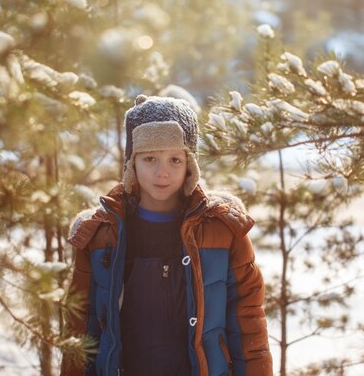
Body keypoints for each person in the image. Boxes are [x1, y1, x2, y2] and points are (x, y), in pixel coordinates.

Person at [61, 95, 273, 376]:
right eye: (150, 158)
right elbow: (80, 330)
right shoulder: (101, 235)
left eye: (175, 159)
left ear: (190, 165)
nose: (163, 172)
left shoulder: (223, 232)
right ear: (132, 164)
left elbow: (248, 326)